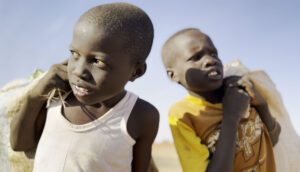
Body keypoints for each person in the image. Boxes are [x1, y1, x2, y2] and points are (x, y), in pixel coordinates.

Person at [10, 3, 159, 172]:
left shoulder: (141, 115)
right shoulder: (57, 96)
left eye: (98, 61)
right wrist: (34, 96)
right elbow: (19, 144)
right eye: (75, 54)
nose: (79, 71)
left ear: (136, 71)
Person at [161, 28, 281, 172]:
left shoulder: (239, 92)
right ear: (173, 75)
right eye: (196, 57)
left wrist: (261, 104)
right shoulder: (182, 115)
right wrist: (231, 117)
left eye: (214, 54)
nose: (211, 60)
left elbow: (272, 140)